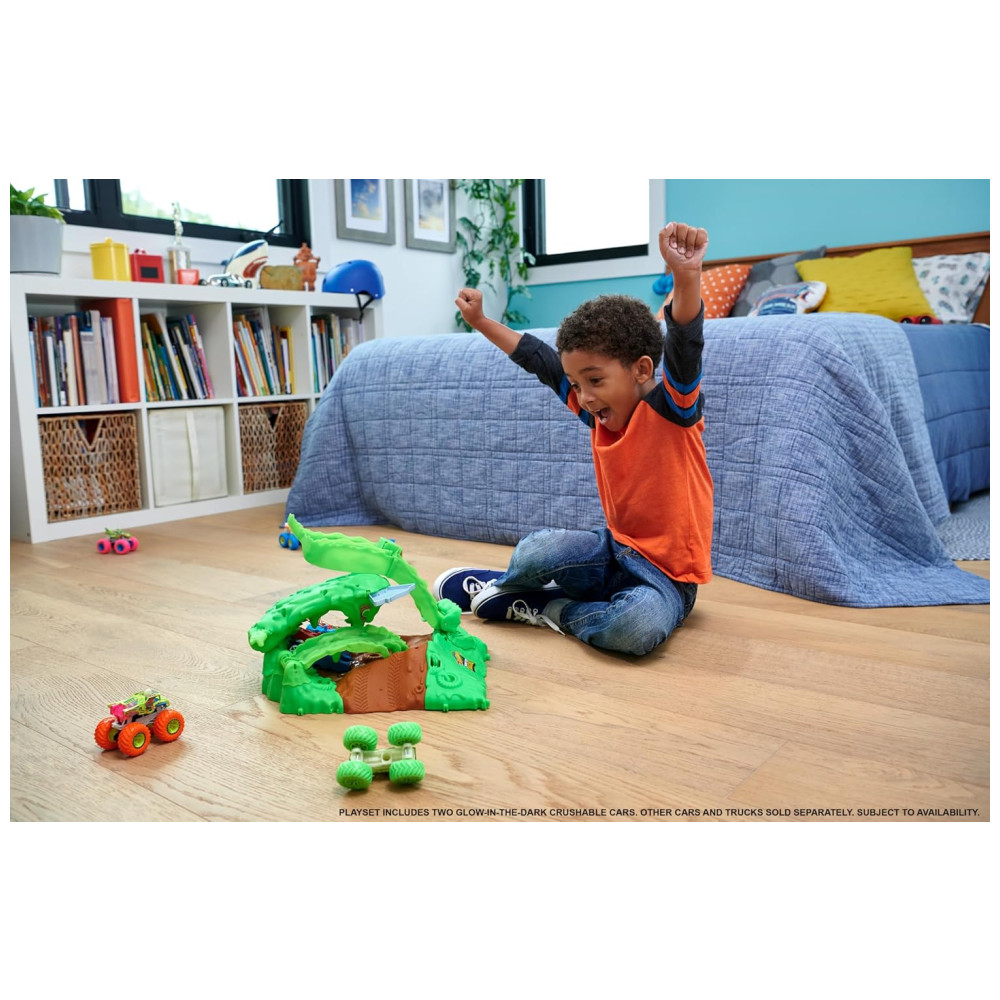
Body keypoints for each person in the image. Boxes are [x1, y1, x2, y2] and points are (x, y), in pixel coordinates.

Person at [433, 222, 714, 656]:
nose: (583, 397)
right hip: (611, 553)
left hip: (667, 579)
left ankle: (549, 606)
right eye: (577, 384)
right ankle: (507, 585)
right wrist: (482, 322)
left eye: (595, 380)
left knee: (632, 628)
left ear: (642, 370)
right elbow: (539, 360)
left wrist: (686, 275)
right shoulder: (596, 413)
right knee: (537, 550)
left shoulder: (672, 410)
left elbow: (684, 344)